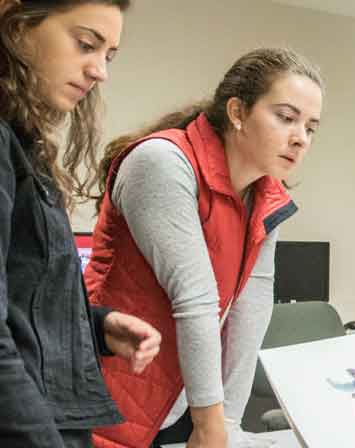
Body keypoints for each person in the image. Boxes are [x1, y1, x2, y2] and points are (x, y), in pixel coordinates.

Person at [84, 48, 323, 448]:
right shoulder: (162, 161)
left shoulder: (266, 196)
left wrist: (227, 420)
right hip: (107, 387)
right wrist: (212, 427)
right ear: (237, 112)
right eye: (285, 117)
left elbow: (251, 309)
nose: (300, 138)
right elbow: (195, 298)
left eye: (311, 127)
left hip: (178, 400)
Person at [0, 1, 162, 447]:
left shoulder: (19, 141)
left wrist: (97, 326)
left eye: (107, 55)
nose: (99, 72)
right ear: (16, 19)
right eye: (85, 44)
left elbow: (17, 299)